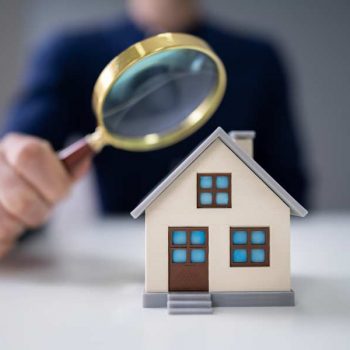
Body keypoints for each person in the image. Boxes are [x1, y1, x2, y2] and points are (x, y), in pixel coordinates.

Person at [0, 0, 308, 258]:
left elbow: (287, 189)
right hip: (117, 260)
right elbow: (23, 161)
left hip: (226, 253)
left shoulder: (259, 58)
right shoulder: (68, 53)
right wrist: (14, 192)